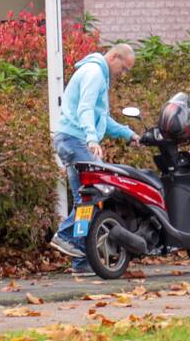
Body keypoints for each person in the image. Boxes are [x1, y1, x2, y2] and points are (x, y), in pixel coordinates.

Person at [50, 44, 140, 273]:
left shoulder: (96, 73)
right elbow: (86, 108)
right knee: (96, 195)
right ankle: (64, 235)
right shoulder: (94, 73)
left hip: (69, 139)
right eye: (124, 68)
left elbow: (103, 119)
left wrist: (128, 134)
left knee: (86, 199)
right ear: (114, 56)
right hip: (76, 140)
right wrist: (91, 138)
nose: (123, 74)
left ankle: (81, 261)